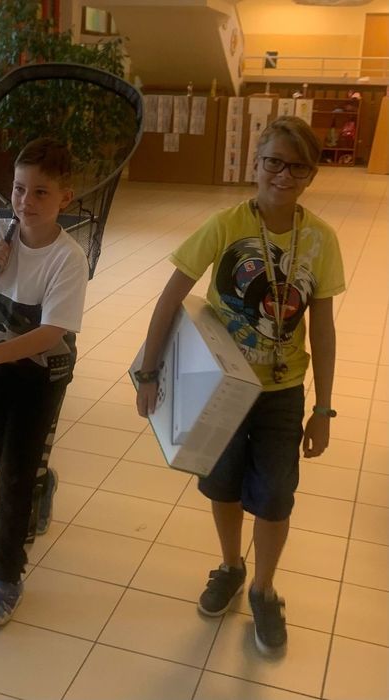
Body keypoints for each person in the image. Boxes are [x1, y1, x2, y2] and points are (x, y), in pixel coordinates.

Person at [135, 116, 344, 656]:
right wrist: (149, 371)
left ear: (311, 175)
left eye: (298, 167)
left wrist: (323, 408)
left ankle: (264, 590)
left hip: (282, 390)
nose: (284, 175)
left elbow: (323, 328)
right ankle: (231, 566)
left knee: (274, 494)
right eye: (274, 162)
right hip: (221, 386)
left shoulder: (321, 240)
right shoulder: (225, 225)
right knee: (222, 484)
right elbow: (170, 296)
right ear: (256, 164)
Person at [0, 137, 89, 626]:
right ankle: (41, 482)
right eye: (18, 189)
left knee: (13, 475)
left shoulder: (67, 258)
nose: (25, 202)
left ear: (64, 198)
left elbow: (50, 334)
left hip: (41, 374)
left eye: (40, 192)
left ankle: (6, 578)